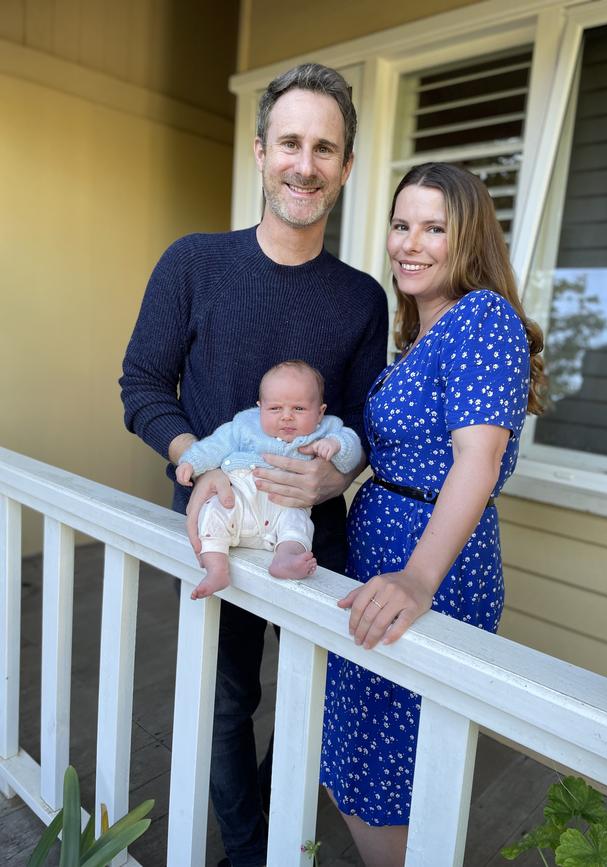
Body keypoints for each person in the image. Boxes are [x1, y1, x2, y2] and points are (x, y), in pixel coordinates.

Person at [119, 63, 388, 867]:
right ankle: (246, 851)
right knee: (231, 697)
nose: (305, 163)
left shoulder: (362, 298)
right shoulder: (194, 263)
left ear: (345, 166)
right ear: (261, 149)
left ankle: (271, 830)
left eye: (325, 148)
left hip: (315, 542)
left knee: (315, 703)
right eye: (291, 142)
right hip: (222, 535)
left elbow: (365, 422)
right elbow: (141, 383)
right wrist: (188, 461)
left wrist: (337, 476)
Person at [319, 162, 545, 867]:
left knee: (389, 773)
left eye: (433, 228)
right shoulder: (423, 334)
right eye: (400, 224)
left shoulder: (482, 317)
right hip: (381, 560)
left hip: (431, 573)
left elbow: (475, 461)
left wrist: (417, 578)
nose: (409, 243)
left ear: (468, 239)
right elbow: (394, 449)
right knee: (359, 762)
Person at [175, 360, 363, 595]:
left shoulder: (328, 429)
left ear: (320, 412)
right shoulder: (245, 424)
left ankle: (286, 558)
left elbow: (353, 449)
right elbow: (216, 444)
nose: (287, 417)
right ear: (260, 407)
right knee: (214, 511)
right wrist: (192, 462)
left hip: (287, 502)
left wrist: (335, 444)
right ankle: (216, 569)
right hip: (240, 495)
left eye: (299, 409)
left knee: (297, 525)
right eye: (275, 409)